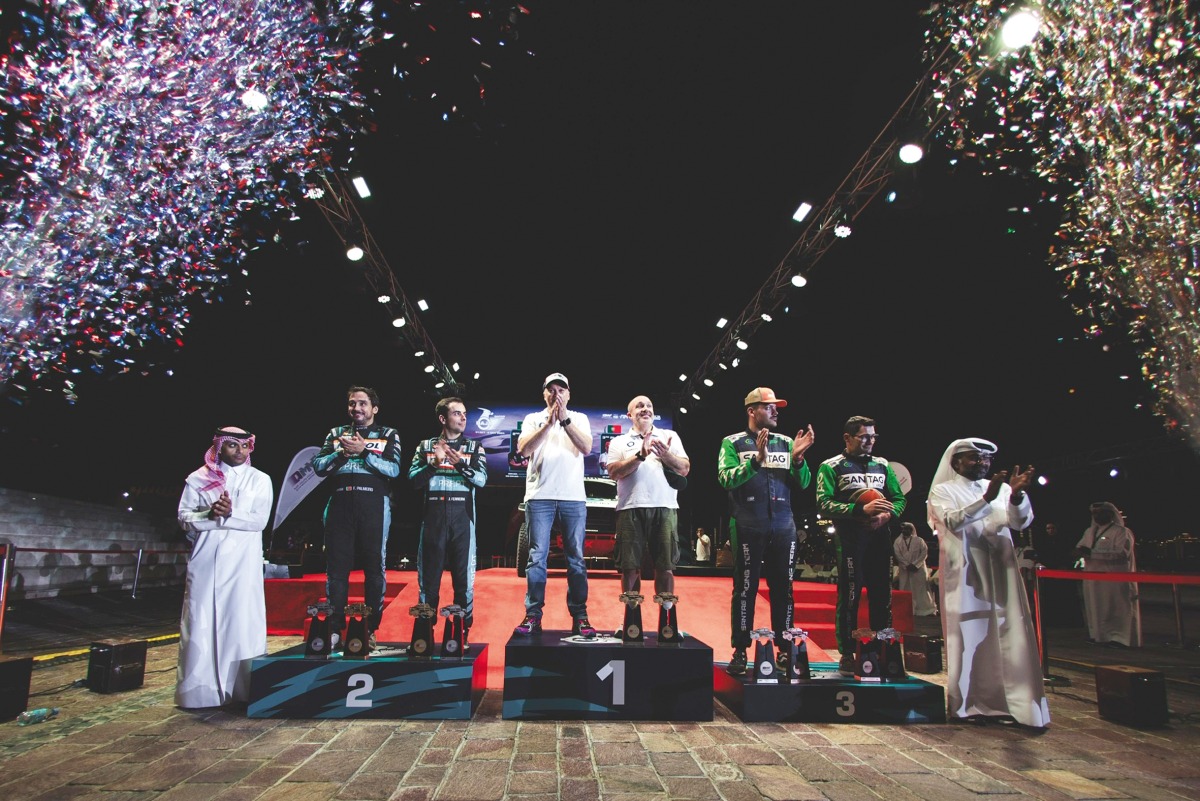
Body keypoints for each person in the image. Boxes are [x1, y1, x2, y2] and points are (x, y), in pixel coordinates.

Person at [927, 437, 1049, 728]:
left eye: (986, 459)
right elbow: (953, 522)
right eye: (974, 458)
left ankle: (1018, 705)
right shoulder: (942, 490)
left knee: (1012, 636)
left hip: (1003, 571)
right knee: (970, 639)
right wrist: (987, 499)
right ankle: (969, 705)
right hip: (967, 576)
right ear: (956, 462)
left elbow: (1020, 522)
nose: (982, 463)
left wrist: (1016, 497)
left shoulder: (1005, 489)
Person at [717, 387, 815, 676]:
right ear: (752, 411)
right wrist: (755, 460)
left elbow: (805, 483)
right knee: (746, 588)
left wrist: (798, 460)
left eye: (777, 407)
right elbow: (726, 479)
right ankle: (740, 649)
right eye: (769, 406)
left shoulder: (786, 443)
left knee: (784, 589)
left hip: (784, 525)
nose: (775, 411)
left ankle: (785, 650)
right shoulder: (732, 443)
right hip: (747, 524)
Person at [176, 427, 273, 708]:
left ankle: (243, 691)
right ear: (219, 447)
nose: (239, 451)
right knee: (201, 620)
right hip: (207, 560)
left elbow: (259, 521)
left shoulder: (260, 480)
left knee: (241, 620)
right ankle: (200, 693)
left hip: (244, 562)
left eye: (245, 446)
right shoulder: (198, 479)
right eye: (232, 445)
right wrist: (210, 514)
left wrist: (230, 514)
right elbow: (184, 517)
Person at [312, 386, 403, 650]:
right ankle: (335, 629)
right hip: (340, 504)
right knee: (336, 571)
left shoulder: (388, 434)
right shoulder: (336, 434)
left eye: (363, 404)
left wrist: (364, 451)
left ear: (374, 408)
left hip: (373, 505)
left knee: (375, 569)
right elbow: (318, 467)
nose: (357, 408)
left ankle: (370, 629)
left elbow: (394, 469)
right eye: (352, 403)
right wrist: (341, 453)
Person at [815, 416, 906, 675]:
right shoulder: (831, 466)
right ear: (847, 438)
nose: (870, 441)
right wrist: (859, 509)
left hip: (880, 538)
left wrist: (887, 515)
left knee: (882, 596)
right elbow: (823, 503)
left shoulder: (883, 465)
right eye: (864, 436)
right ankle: (846, 652)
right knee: (850, 596)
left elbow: (899, 499)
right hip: (850, 540)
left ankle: (883, 649)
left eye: (873, 437)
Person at [513, 372, 596, 637]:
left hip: (573, 497)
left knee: (576, 559)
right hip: (540, 496)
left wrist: (564, 420)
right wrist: (548, 424)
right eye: (551, 389)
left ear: (569, 394)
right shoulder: (532, 419)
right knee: (536, 557)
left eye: (562, 389)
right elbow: (524, 449)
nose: (556, 394)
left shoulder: (579, 418)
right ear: (544, 393)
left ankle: (580, 616)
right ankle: (533, 615)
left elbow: (586, 447)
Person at [408, 397, 488, 647]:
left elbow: (482, 480)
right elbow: (412, 481)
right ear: (443, 419)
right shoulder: (425, 446)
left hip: (463, 520)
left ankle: (460, 633)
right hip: (432, 519)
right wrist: (433, 463)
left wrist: (460, 464)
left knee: (463, 582)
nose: (463, 418)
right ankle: (424, 633)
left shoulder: (475, 447)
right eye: (456, 414)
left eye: (464, 413)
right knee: (428, 582)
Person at [604, 395, 691, 603]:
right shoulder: (619, 441)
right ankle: (631, 624)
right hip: (630, 508)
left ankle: (667, 622)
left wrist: (666, 455)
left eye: (649, 405)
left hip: (665, 507)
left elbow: (684, 469)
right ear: (629, 414)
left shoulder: (669, 436)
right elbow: (614, 472)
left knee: (666, 566)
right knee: (629, 567)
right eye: (639, 406)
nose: (645, 409)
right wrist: (640, 456)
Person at [1074, 502, 1141, 647]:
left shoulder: (1122, 532)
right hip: (1093, 578)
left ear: (1110, 514)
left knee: (1117, 608)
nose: (1097, 516)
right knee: (1096, 607)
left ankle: (1120, 639)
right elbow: (1081, 548)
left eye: (1100, 513)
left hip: (1114, 579)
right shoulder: (1089, 532)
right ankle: (1098, 636)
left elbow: (1122, 554)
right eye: (1094, 513)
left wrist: (1092, 554)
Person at [893, 522, 937, 616]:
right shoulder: (897, 541)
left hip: (919, 569)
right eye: (904, 529)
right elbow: (897, 554)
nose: (906, 531)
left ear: (912, 530)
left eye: (908, 529)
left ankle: (924, 610)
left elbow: (924, 554)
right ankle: (907, 610)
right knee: (905, 588)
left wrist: (915, 564)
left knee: (920, 589)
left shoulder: (919, 540)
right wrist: (907, 565)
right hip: (905, 570)